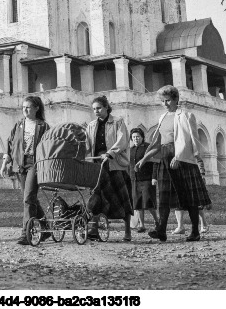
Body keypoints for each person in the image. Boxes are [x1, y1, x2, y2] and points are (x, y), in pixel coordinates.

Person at [135, 85, 211, 242]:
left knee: (189, 197)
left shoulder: (186, 116)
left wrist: (179, 156)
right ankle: (161, 230)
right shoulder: (162, 118)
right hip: (165, 159)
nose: (165, 104)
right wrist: (144, 158)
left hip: (183, 161)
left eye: (168, 100)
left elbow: (191, 139)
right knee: (163, 196)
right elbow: (157, 142)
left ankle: (195, 231)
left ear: (176, 99)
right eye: (162, 101)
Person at [0, 95, 49, 245]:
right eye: (23, 107)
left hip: (35, 164)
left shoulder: (43, 126)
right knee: (30, 198)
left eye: (28, 107)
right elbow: (10, 145)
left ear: (36, 108)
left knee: (28, 198)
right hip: (20, 165)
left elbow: (48, 146)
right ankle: (46, 227)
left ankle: (25, 234)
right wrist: (4, 164)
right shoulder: (18, 125)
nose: (25, 110)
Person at [85, 96, 133, 241]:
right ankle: (93, 228)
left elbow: (122, 140)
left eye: (99, 108)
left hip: (114, 164)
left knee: (123, 196)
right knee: (96, 194)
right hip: (98, 165)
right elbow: (87, 144)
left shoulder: (118, 122)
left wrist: (110, 153)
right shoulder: (91, 125)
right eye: (94, 109)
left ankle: (127, 231)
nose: (96, 111)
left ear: (106, 107)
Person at [129, 127, 159, 233]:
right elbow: (129, 166)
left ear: (142, 137)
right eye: (133, 137)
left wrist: (154, 177)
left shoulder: (148, 148)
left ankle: (157, 221)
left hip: (147, 179)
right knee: (137, 203)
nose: (136, 139)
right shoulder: (131, 150)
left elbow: (155, 163)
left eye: (138, 137)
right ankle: (141, 225)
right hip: (135, 180)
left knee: (148, 202)